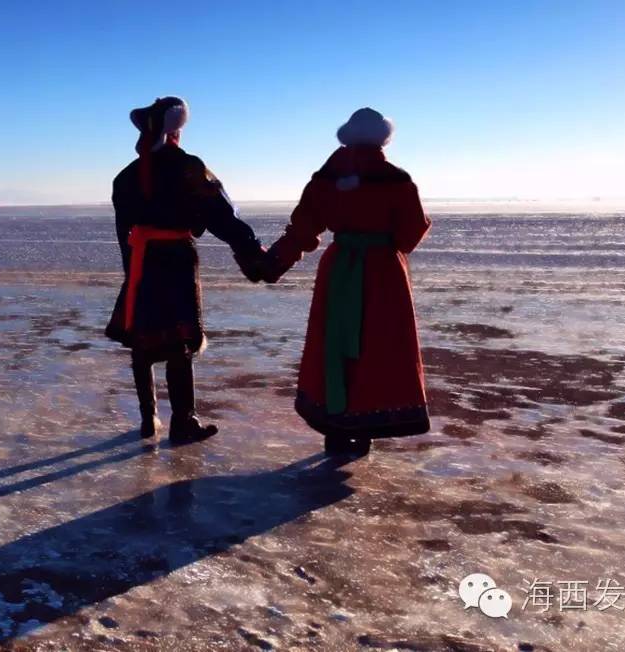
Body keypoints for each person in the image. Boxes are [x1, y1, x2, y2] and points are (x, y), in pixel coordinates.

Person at [261, 107, 431, 456]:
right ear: (383, 138)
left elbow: (304, 227)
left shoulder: (327, 176)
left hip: (339, 269)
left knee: (333, 343)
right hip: (384, 274)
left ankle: (334, 426)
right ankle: (365, 425)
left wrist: (274, 261)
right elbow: (409, 235)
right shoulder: (396, 178)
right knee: (377, 346)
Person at [106, 96, 264, 444]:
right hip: (176, 259)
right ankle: (183, 421)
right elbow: (222, 215)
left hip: (142, 261)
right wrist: (252, 250)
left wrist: (129, 269)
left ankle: (149, 418)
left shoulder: (125, 177)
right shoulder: (188, 166)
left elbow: (123, 233)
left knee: (142, 338)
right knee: (179, 342)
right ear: (175, 131)